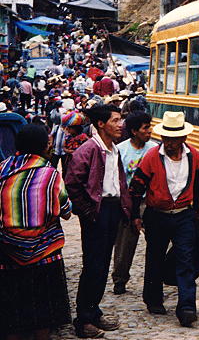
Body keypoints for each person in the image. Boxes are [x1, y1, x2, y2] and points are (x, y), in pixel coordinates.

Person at [130, 111, 199, 327]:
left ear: (183, 138)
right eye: (166, 138)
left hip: (183, 215)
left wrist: (196, 212)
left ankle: (187, 307)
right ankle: (153, 299)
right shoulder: (152, 157)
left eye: (174, 139)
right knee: (155, 256)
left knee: (186, 259)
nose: (169, 143)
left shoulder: (194, 156)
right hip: (157, 215)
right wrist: (135, 215)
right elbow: (136, 188)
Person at [65, 104, 131, 339]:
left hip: (112, 210)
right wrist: (87, 212)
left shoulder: (114, 150)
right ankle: (83, 319)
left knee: (103, 264)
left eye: (120, 119)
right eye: (115, 120)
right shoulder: (88, 150)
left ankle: (94, 311)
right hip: (97, 212)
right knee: (93, 265)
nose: (120, 124)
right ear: (101, 124)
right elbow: (72, 182)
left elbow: (119, 182)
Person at [0, 124, 72, 340]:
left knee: (10, 312)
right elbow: (66, 210)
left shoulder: (2, 168)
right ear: (43, 146)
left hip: (6, 249)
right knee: (43, 308)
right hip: (44, 252)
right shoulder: (50, 175)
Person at [112, 111, 157, 295]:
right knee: (125, 243)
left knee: (155, 242)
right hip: (128, 202)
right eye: (145, 128)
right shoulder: (121, 150)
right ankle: (120, 279)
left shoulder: (154, 149)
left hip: (150, 201)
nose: (149, 131)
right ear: (134, 131)